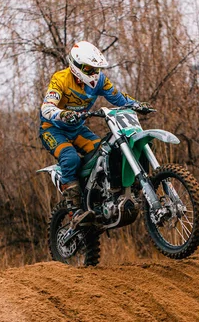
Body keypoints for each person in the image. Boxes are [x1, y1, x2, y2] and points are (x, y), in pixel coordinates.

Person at [40, 40, 149, 227]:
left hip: (77, 130)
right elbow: (46, 108)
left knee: (105, 152)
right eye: (89, 69)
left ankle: (102, 195)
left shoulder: (99, 81)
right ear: (76, 66)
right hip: (53, 129)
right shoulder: (61, 79)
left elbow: (118, 98)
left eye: (95, 69)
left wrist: (137, 105)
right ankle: (74, 210)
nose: (94, 73)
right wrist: (63, 114)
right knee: (70, 158)